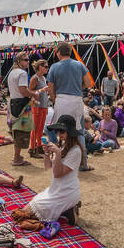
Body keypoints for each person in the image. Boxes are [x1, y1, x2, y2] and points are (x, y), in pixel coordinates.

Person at [21, 115, 83, 227]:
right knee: (27, 210)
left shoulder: (76, 151)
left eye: (62, 131)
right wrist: (46, 153)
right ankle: (68, 210)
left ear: (70, 132)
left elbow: (58, 174)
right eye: (58, 131)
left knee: (26, 215)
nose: (59, 134)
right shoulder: (62, 145)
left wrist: (58, 153)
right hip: (55, 190)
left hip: (67, 192)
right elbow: (48, 166)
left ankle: (70, 208)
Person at [47, 42, 93, 171]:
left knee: (55, 130)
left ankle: (58, 158)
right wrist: (79, 87)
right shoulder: (79, 65)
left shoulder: (54, 67)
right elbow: (88, 83)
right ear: (70, 52)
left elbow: (51, 89)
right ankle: (83, 164)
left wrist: (56, 100)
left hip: (61, 100)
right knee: (79, 132)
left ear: (58, 53)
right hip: (76, 101)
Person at [7, 52, 37, 166]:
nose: (28, 62)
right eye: (25, 60)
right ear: (18, 61)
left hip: (13, 102)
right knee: (21, 130)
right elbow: (23, 91)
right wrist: (33, 94)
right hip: (22, 103)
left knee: (16, 130)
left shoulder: (11, 73)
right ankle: (16, 158)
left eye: (28, 59)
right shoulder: (22, 73)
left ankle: (17, 156)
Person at [28, 60, 50, 159]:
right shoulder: (35, 78)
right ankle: (32, 149)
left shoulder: (43, 78)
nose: (47, 68)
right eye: (45, 66)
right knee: (35, 129)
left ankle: (39, 146)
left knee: (40, 129)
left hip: (43, 106)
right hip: (36, 106)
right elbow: (29, 92)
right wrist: (42, 90)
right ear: (39, 67)